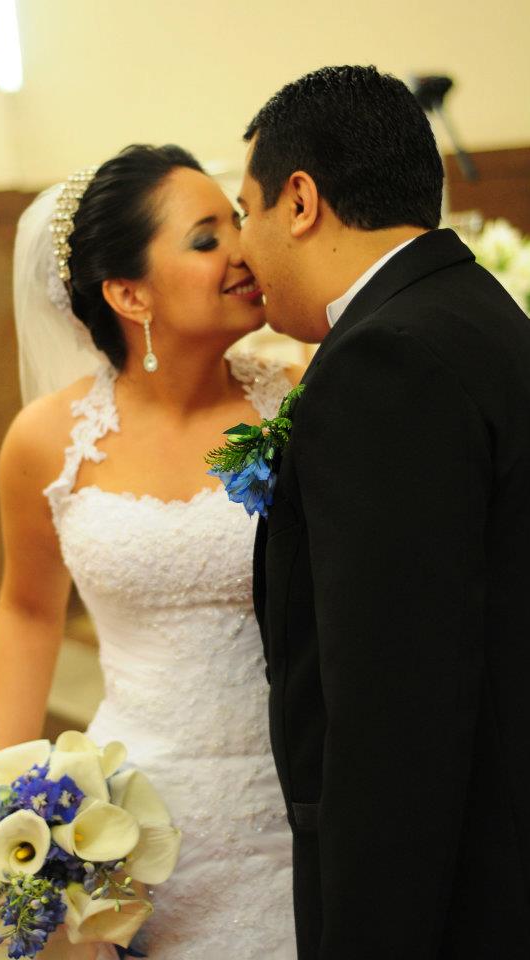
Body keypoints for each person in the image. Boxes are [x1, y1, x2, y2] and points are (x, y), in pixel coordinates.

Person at [239, 65, 530, 959]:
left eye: (244, 210)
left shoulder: (384, 361)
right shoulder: (468, 307)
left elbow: (394, 705)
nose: (244, 249)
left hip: (452, 892)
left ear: (300, 201)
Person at [0, 143, 301, 958]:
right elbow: (27, 610)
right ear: (130, 294)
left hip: (295, 803)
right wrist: (9, 806)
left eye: (237, 220)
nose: (242, 248)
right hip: (131, 818)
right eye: (206, 238)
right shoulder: (46, 441)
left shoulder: (301, 403)